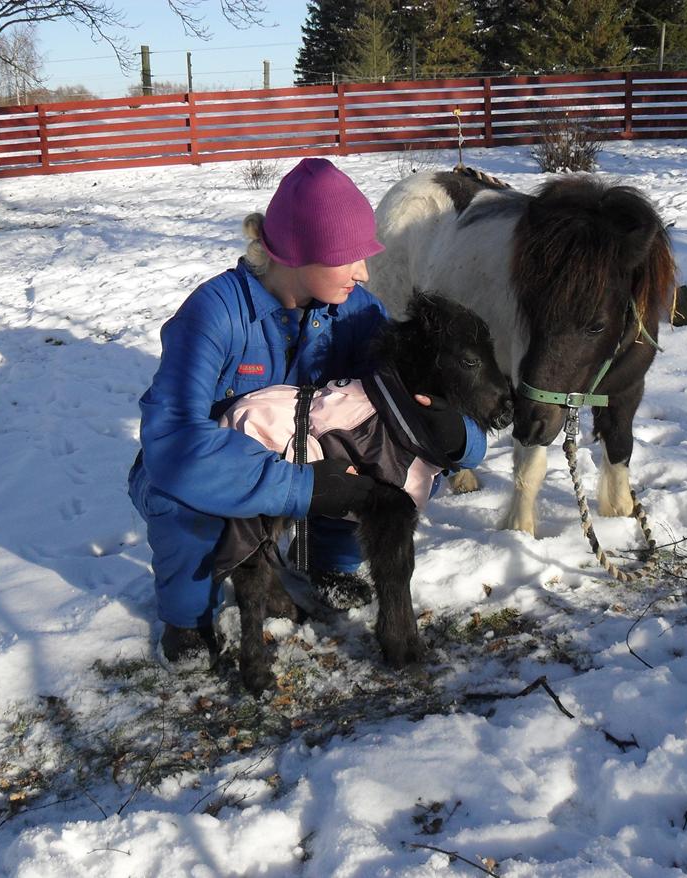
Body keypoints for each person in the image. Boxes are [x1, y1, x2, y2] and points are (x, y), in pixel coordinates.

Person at [128, 157, 489, 662]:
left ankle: (330, 564)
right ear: (295, 255)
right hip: (215, 465)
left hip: (311, 451)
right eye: (349, 258)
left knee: (378, 453)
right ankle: (189, 617)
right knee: (180, 498)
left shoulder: (358, 310)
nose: (364, 272)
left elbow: (406, 406)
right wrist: (305, 486)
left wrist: (458, 436)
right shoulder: (213, 315)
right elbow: (173, 446)